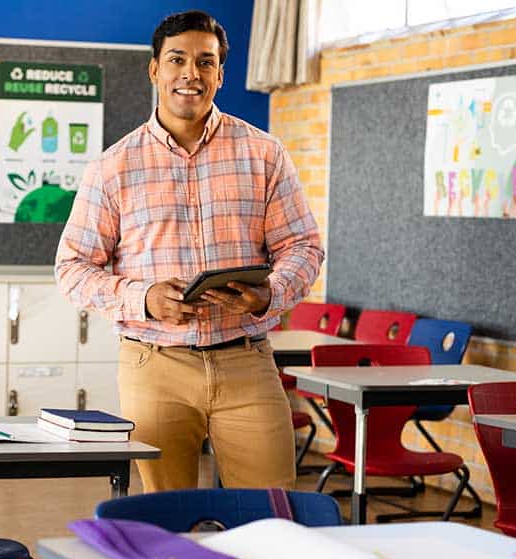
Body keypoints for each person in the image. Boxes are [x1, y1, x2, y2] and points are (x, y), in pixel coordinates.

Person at [54, 10, 324, 492]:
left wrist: (270, 294)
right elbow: (72, 267)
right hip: (154, 363)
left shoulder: (264, 154)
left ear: (220, 74)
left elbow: (302, 245)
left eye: (206, 62)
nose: (191, 74)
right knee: (168, 517)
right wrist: (143, 298)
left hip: (246, 359)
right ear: (155, 69)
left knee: (272, 512)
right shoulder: (113, 166)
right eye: (177, 59)